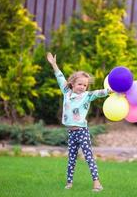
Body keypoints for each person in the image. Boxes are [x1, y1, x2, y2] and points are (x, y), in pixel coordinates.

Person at [47, 52, 110, 192]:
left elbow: (100, 92)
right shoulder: (66, 92)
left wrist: (112, 90)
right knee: (71, 158)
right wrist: (54, 64)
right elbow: (60, 77)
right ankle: (69, 183)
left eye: (85, 85)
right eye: (80, 84)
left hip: (82, 131)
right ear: (72, 83)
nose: (82, 87)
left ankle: (97, 183)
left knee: (88, 157)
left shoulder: (86, 96)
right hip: (71, 133)